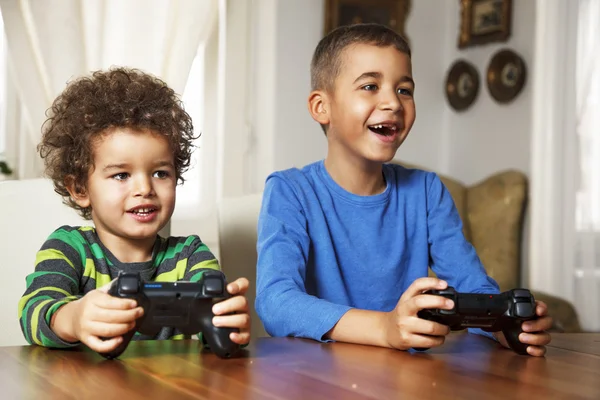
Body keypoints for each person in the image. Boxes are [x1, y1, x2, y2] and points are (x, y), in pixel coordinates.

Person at [255, 23, 552, 356]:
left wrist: (501, 323)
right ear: (321, 107)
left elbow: (473, 286)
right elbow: (276, 302)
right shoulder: (289, 191)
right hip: (320, 378)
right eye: (370, 86)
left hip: (408, 380)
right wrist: (384, 328)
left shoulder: (426, 191)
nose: (393, 103)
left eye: (404, 90)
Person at [18, 67, 251, 354]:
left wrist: (227, 320)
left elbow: (215, 328)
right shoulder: (69, 248)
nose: (145, 188)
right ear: (80, 189)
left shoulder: (191, 255)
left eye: (160, 173)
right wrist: (75, 318)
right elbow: (34, 309)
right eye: (121, 175)